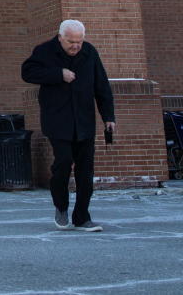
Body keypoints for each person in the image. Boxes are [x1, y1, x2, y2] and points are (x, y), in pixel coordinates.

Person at [21, 19, 115, 232]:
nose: (75, 46)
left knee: (85, 170)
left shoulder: (89, 52)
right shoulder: (44, 51)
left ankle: (82, 217)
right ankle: (61, 207)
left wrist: (108, 116)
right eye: (71, 41)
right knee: (62, 164)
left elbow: (102, 85)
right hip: (58, 120)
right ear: (60, 37)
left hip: (84, 120)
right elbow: (27, 73)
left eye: (79, 42)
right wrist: (58, 74)